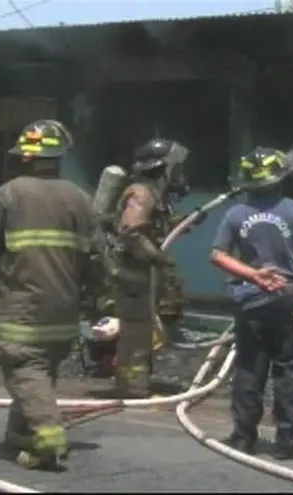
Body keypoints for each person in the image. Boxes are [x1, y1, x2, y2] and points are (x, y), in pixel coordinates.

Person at [0, 119, 97, 471]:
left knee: (24, 368)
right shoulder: (80, 199)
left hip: (23, 310)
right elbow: (97, 257)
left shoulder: (8, 195)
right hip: (65, 311)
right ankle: (20, 432)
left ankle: (48, 439)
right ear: (58, 158)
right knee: (40, 371)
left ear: (25, 158)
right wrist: (96, 300)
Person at [210, 146, 293, 460]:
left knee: (250, 368)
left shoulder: (235, 214)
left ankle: (244, 437)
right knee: (289, 370)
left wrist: (253, 275)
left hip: (251, 299)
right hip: (290, 297)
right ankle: (286, 445)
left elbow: (217, 255)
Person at [109, 137, 190, 398]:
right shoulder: (142, 193)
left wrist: (181, 223)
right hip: (133, 276)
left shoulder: (153, 194)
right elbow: (131, 231)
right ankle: (132, 389)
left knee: (143, 332)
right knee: (136, 334)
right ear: (163, 168)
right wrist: (158, 258)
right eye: (175, 168)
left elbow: (150, 226)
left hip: (142, 276)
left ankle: (134, 384)